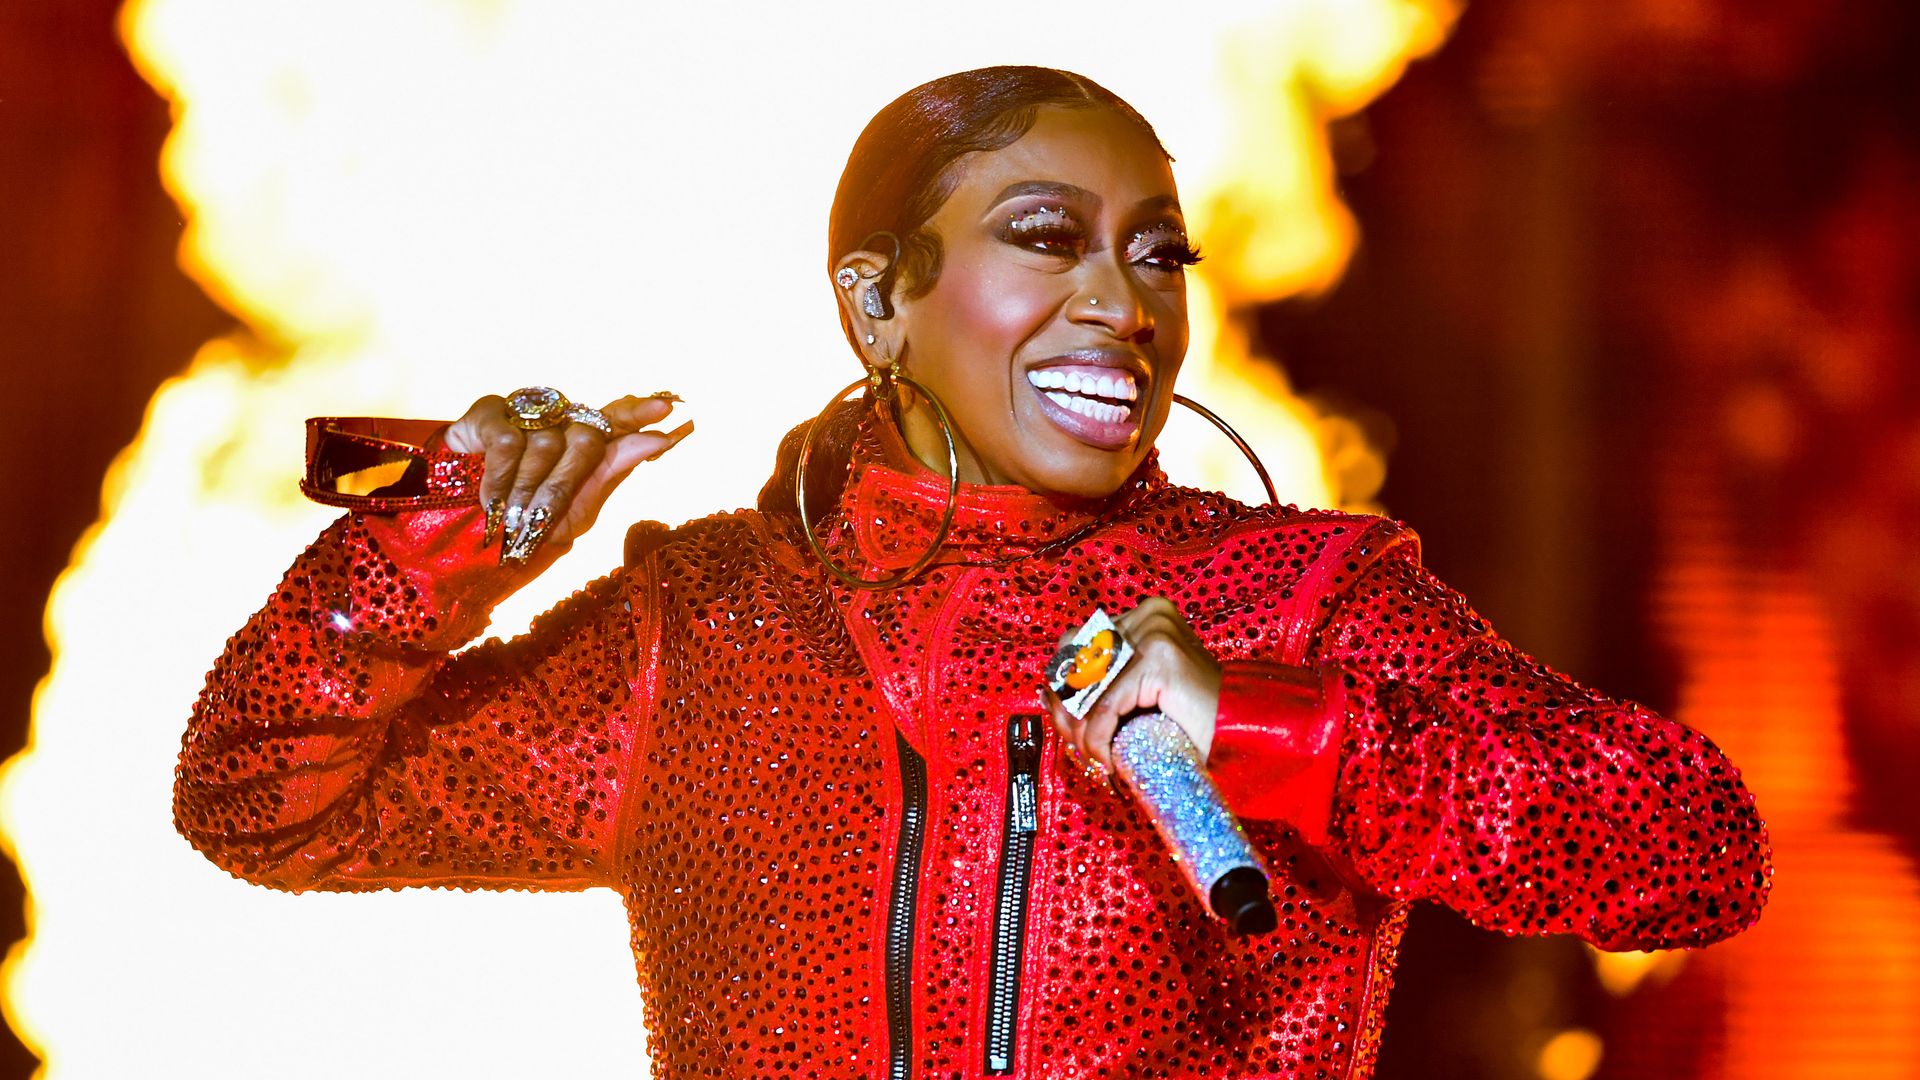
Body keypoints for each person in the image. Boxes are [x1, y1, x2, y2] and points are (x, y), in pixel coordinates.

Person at [174, 66, 1771, 1078]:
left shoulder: (1298, 602)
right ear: (878, 304)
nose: (1124, 303)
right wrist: (445, 532)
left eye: (1156, 252)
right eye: (1045, 236)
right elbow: (256, 800)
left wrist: (1283, 730)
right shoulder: (705, 632)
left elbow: (1691, 856)